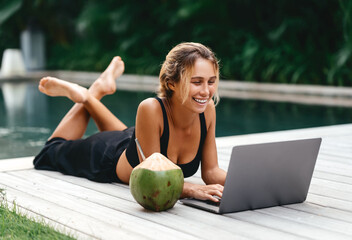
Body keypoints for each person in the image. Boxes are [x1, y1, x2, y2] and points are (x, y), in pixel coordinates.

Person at [34, 42, 227, 202]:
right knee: (49, 151)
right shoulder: (151, 108)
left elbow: (211, 172)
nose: (206, 91)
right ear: (171, 83)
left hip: (137, 142)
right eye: (196, 82)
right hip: (107, 157)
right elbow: (155, 180)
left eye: (211, 82)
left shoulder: (207, 110)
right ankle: (88, 94)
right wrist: (193, 190)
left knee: (126, 134)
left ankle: (99, 88)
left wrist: (250, 182)